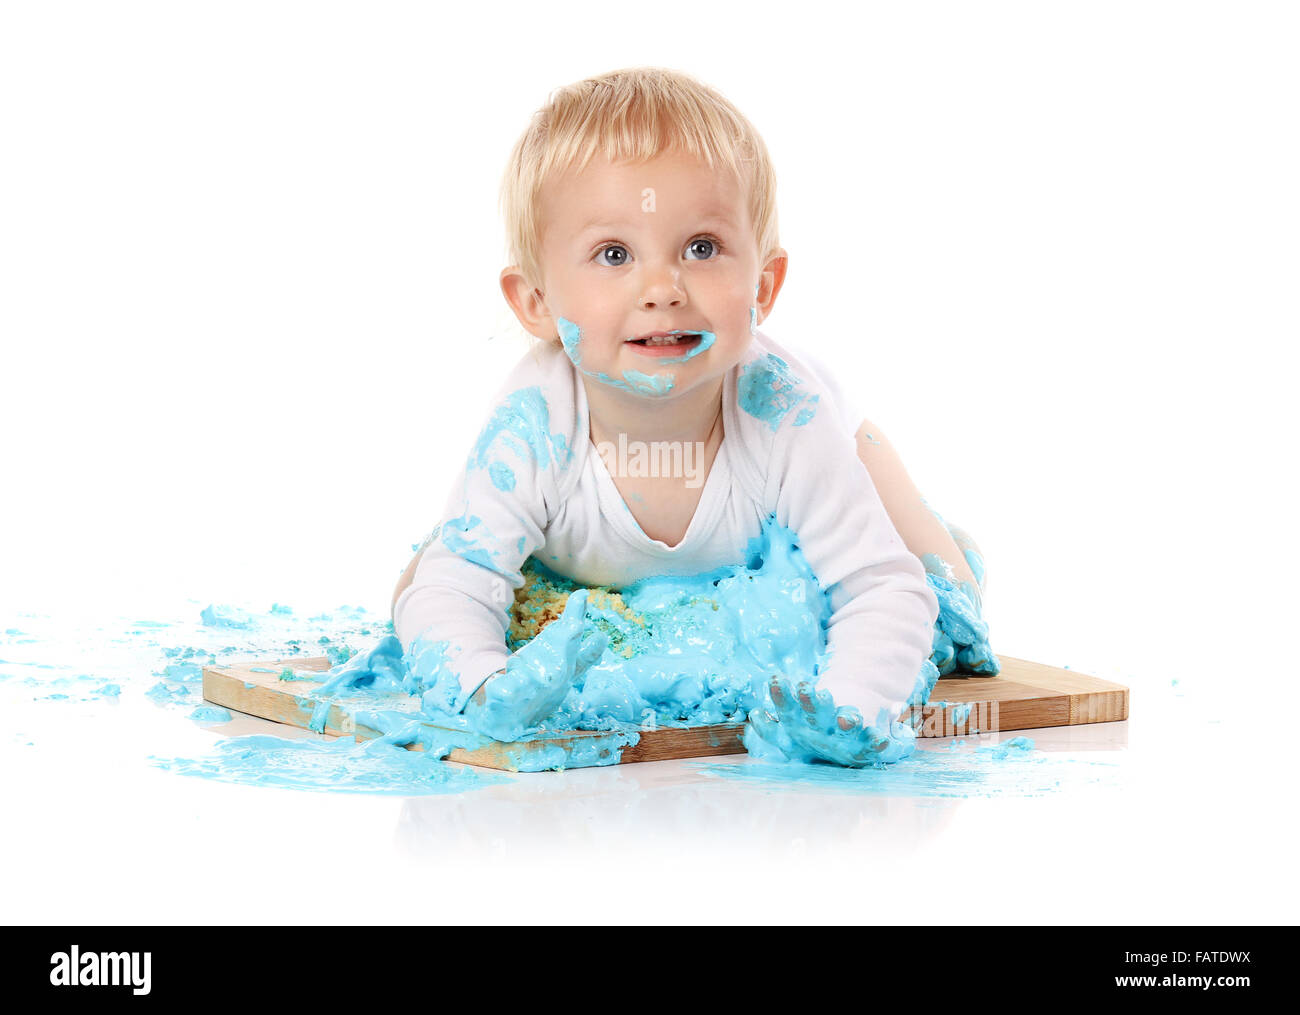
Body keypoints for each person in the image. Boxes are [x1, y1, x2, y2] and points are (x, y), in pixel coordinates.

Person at [391, 67, 994, 765]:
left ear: (763, 284)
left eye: (701, 249)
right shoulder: (534, 427)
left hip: (842, 442)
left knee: (943, 592)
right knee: (422, 586)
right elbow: (456, 590)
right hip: (583, 543)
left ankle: (951, 538)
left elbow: (881, 589)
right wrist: (483, 689)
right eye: (614, 254)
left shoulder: (786, 415)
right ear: (535, 301)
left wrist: (852, 709)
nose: (662, 288)